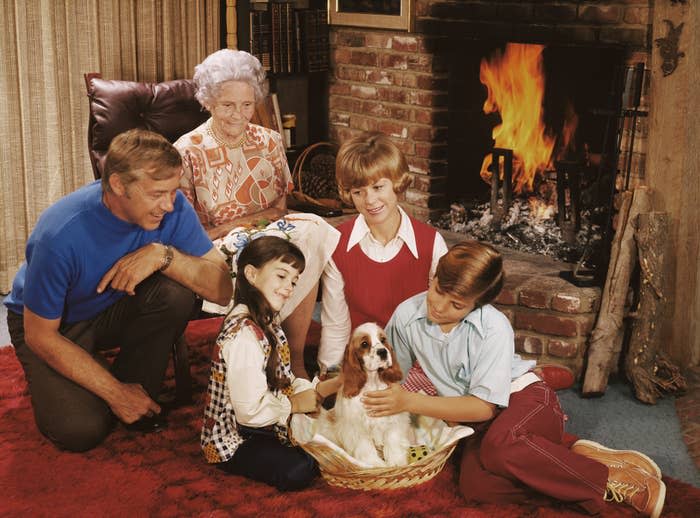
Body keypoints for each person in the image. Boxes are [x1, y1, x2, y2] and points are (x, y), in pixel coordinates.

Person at [363, 241, 665, 517]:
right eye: (439, 290)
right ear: (433, 277)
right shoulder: (407, 314)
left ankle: (611, 478)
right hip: (473, 419)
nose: (439, 306)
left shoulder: (494, 327)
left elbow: (483, 409)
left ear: (477, 305)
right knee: (476, 488)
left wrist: (411, 402)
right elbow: (391, 372)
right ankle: (569, 457)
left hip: (524, 398)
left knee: (500, 446)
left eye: (457, 305)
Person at [2, 129, 232, 452]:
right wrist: (115, 393)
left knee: (175, 293)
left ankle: (114, 380)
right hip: (51, 325)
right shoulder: (59, 233)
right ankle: (103, 382)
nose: (169, 204)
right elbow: (40, 335)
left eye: (172, 191)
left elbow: (223, 289)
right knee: (80, 430)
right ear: (118, 186)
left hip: (111, 305)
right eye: (156, 194)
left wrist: (163, 256)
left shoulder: (173, 206)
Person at [174, 49, 339, 379]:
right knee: (276, 254)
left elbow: (280, 208)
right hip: (217, 247)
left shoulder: (270, 141)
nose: (239, 115)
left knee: (315, 232)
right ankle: (260, 356)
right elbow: (189, 235)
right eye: (227, 105)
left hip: (273, 231)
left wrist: (259, 222)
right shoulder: (186, 151)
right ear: (208, 101)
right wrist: (244, 223)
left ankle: (293, 356)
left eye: (247, 105)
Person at [201, 236, 339, 491]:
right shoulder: (243, 336)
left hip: (269, 417)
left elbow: (283, 376)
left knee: (332, 420)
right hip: (240, 435)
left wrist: (307, 391)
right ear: (252, 274)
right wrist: (296, 404)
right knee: (299, 469)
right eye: (281, 276)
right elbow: (249, 412)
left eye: (294, 281)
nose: (289, 287)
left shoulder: (269, 323)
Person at [318, 132, 448, 375]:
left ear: (396, 182)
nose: (370, 200)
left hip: (418, 368)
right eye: (358, 192)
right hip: (363, 367)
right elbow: (336, 324)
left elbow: (443, 325)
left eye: (378, 187)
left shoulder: (431, 244)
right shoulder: (337, 244)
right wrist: (332, 374)